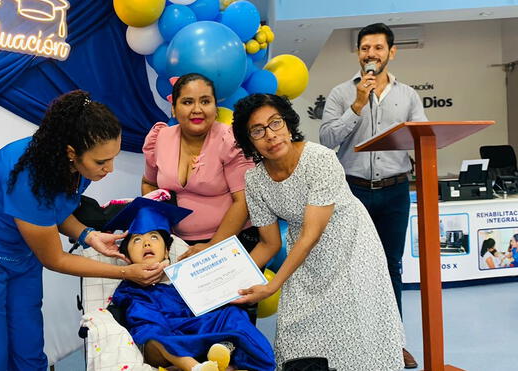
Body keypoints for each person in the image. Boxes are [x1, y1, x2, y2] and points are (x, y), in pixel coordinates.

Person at [0, 90, 166, 371]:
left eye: (113, 157)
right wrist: (126, 272)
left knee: (29, 352)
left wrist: (87, 235)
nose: (110, 169)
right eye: (101, 162)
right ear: (71, 152)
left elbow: (55, 210)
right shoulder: (29, 176)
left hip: (19, 251)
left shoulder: (74, 166)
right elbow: (55, 259)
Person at [231, 93, 404, 371]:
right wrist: (229, 283)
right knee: (295, 329)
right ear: (248, 139)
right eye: (257, 130)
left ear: (288, 124)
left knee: (356, 328)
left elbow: (312, 233)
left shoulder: (320, 159)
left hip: (350, 244)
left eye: (276, 123)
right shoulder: (255, 179)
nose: (271, 135)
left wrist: (273, 285)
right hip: (303, 254)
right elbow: (268, 243)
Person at [320, 22, 426, 368]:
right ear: (358, 53)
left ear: (391, 53)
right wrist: (357, 105)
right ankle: (348, 341)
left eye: (378, 48)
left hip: (395, 191)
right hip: (352, 192)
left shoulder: (408, 96)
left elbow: (421, 137)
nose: (371, 54)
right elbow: (326, 140)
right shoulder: (341, 93)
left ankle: (395, 342)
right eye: (365, 48)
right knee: (349, 269)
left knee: (391, 267)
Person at [106, 197, 276, 371]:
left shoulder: (186, 277)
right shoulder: (131, 290)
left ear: (166, 251)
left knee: (231, 313)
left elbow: (209, 307)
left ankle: (223, 353)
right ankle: (194, 366)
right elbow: (144, 320)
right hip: (164, 333)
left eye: (154, 237)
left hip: (197, 327)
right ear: (127, 257)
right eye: (137, 240)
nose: (147, 242)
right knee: (152, 336)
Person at [141, 73, 256, 259]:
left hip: (232, 242)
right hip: (177, 244)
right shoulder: (159, 137)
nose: (197, 109)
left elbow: (243, 201)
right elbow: (149, 183)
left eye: (205, 101)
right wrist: (159, 229)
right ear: (173, 108)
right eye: (187, 102)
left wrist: (212, 246)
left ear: (215, 107)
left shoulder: (230, 140)